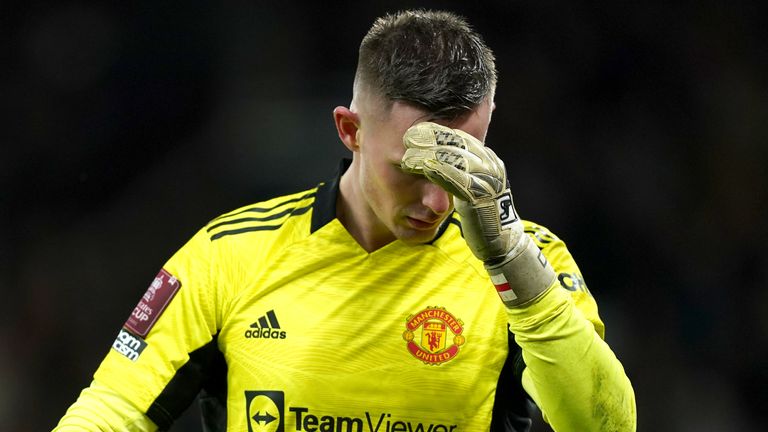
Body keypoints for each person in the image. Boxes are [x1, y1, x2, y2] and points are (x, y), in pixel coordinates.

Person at [55, 9, 636, 432]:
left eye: (462, 164)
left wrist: (511, 261)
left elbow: (605, 426)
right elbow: (114, 410)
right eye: (412, 169)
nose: (438, 203)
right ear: (349, 130)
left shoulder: (529, 266)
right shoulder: (228, 255)